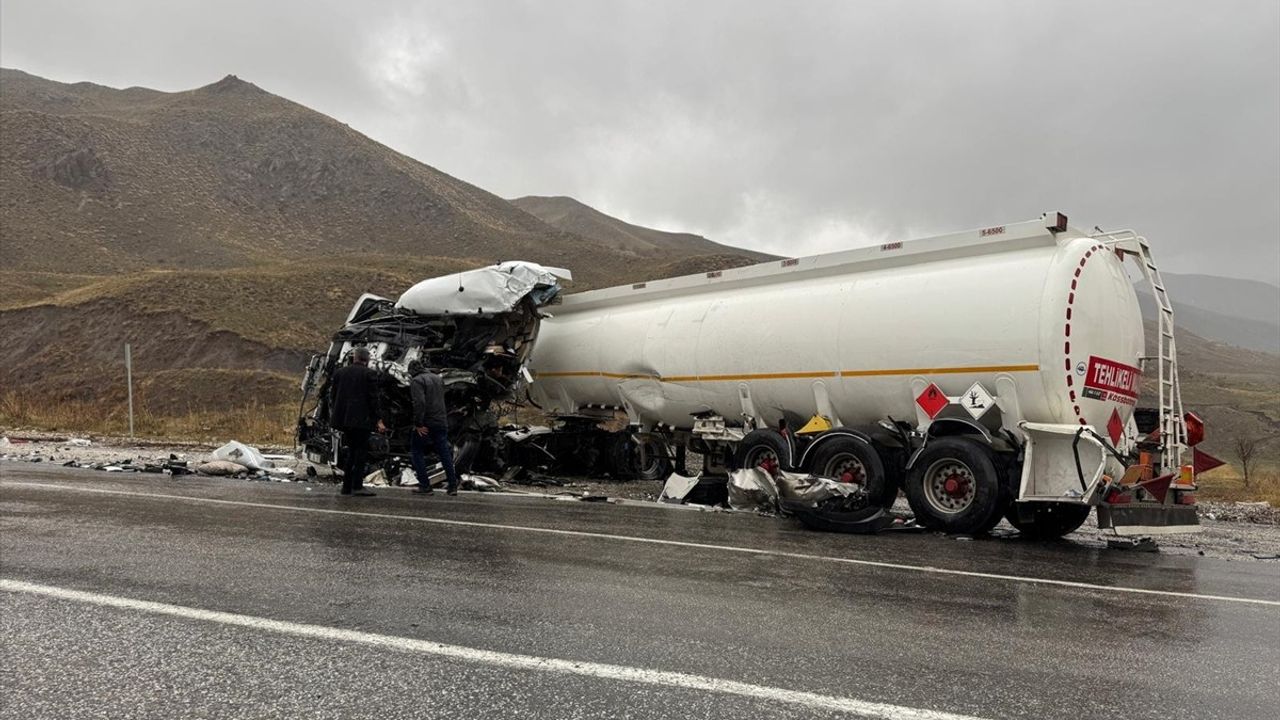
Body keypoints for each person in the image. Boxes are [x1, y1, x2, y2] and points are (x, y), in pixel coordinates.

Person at [328, 346, 386, 496]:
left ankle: (346, 487)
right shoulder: (369, 374)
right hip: (362, 421)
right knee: (360, 452)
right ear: (366, 360)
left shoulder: (340, 373)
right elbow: (374, 399)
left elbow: (333, 396)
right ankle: (357, 486)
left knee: (351, 451)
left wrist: (337, 414)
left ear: (354, 358)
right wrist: (379, 420)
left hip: (345, 421)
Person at [408, 360, 461, 495]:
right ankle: (453, 486)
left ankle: (425, 486)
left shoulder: (417, 381)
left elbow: (419, 403)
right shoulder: (438, 379)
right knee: (444, 453)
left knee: (417, 451)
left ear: (412, 371)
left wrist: (418, 424)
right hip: (441, 421)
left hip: (426, 423)